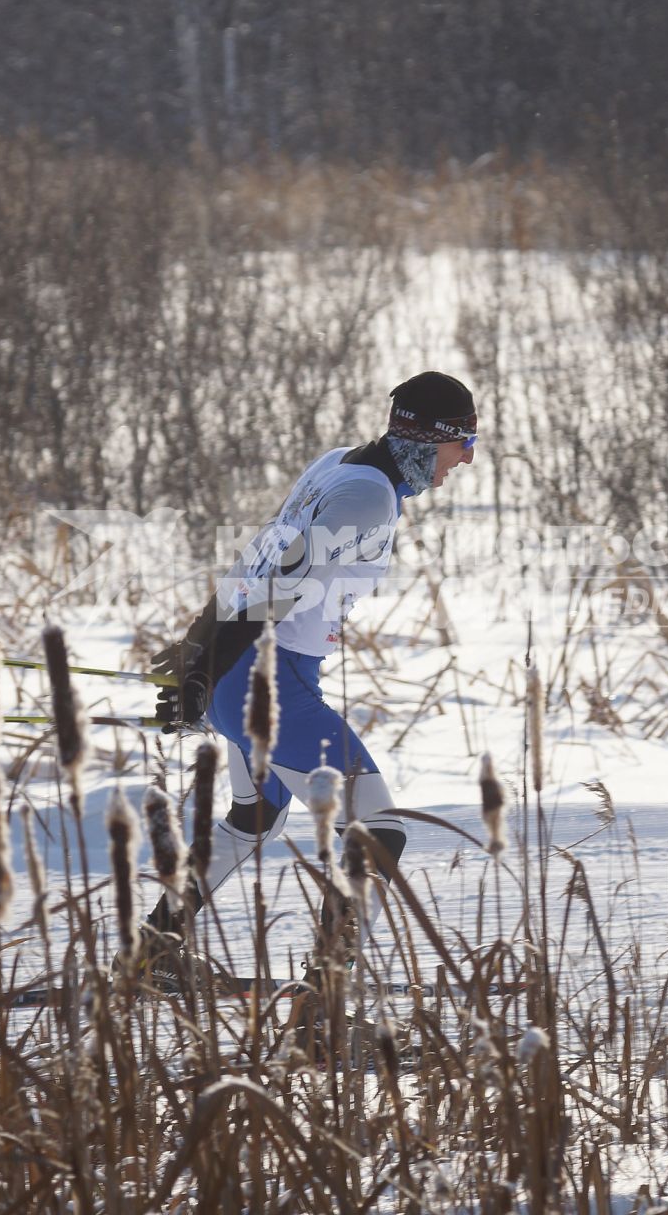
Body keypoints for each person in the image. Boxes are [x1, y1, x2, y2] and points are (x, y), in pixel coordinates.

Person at [142, 372, 479, 988]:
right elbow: (278, 585)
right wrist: (205, 667)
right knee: (379, 834)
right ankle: (323, 1000)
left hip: (249, 677)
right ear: (434, 441)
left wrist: (198, 655)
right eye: (465, 445)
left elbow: (258, 562)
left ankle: (153, 953)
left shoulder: (336, 466)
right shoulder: (368, 498)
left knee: (254, 820)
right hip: (267, 687)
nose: (466, 462)